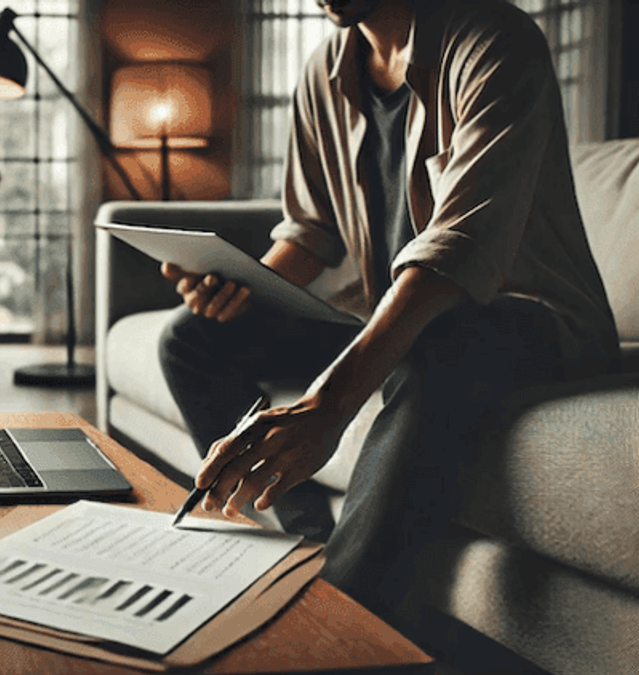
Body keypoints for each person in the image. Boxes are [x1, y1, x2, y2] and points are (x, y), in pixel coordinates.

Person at [158, 0, 619, 616]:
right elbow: (309, 231)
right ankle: (300, 540)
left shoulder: (496, 42)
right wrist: (244, 289)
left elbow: (457, 251)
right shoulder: (327, 67)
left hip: (529, 319)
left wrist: (328, 404)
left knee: (435, 339)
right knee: (191, 338)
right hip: (402, 316)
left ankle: (345, 616)